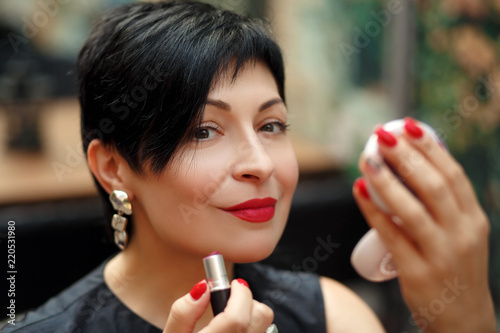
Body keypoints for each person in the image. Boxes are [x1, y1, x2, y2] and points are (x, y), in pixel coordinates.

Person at [3, 1, 496, 332]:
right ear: (112, 166)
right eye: (203, 131)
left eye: (271, 125)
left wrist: (467, 319)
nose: (260, 165)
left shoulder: (333, 315)